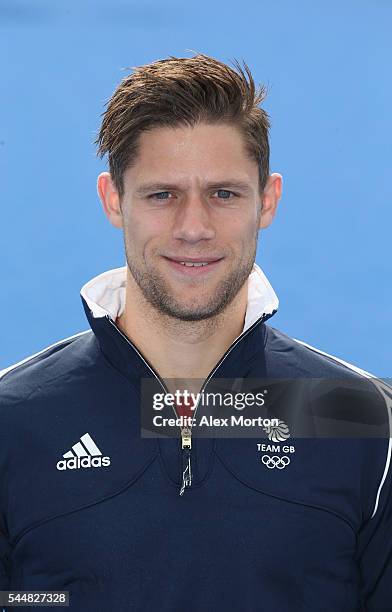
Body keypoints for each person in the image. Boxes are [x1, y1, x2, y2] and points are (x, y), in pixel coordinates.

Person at [0, 53, 391, 612]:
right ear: (114, 200)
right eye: (162, 195)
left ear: (268, 201)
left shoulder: (361, 418)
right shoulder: (13, 421)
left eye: (224, 194)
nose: (193, 227)